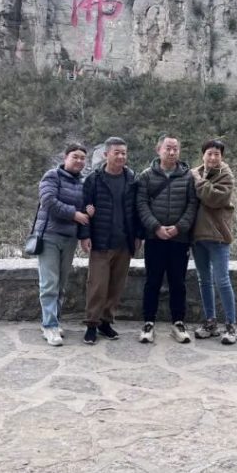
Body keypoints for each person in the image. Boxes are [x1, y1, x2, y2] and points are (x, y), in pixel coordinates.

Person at [77, 136, 143, 344]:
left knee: (116, 286)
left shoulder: (132, 179)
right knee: (97, 285)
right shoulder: (94, 180)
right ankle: (92, 324)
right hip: (101, 241)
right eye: (117, 153)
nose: (121, 156)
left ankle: (106, 322)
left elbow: (137, 210)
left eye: (124, 153)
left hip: (124, 242)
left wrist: (138, 236)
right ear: (106, 154)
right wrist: (85, 236)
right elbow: (84, 208)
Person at [136, 134, 199, 343]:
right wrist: (156, 227)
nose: (172, 152)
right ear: (158, 150)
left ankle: (178, 323)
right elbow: (141, 204)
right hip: (154, 238)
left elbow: (192, 205)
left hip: (179, 239)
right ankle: (148, 323)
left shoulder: (188, 177)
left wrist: (179, 227)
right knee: (152, 281)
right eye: (167, 148)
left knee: (178, 282)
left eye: (175, 149)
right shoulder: (146, 176)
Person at [35, 143, 93, 346]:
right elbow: (48, 201)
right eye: (75, 156)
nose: (79, 161)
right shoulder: (52, 176)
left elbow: (85, 213)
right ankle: (49, 326)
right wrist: (74, 214)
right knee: (49, 283)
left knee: (60, 284)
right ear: (65, 157)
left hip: (69, 239)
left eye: (82, 158)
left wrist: (85, 233)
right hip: (49, 236)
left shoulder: (83, 183)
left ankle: (53, 321)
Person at [190, 138, 237, 345]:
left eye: (216, 154)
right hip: (198, 236)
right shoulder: (195, 173)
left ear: (222, 157)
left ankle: (231, 325)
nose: (212, 157)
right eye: (209, 153)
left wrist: (198, 181)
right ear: (203, 155)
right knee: (204, 280)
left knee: (222, 280)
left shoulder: (226, 175)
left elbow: (215, 198)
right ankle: (210, 322)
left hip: (218, 236)